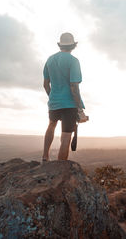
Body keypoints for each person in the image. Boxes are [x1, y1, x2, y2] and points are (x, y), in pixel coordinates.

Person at [42, 32, 87, 161]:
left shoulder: (50, 60)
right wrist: (79, 108)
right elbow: (74, 86)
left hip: (54, 102)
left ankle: (45, 157)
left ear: (60, 45)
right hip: (70, 104)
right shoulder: (73, 61)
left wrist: (53, 97)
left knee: (51, 125)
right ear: (73, 46)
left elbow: (45, 84)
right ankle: (61, 166)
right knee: (66, 136)